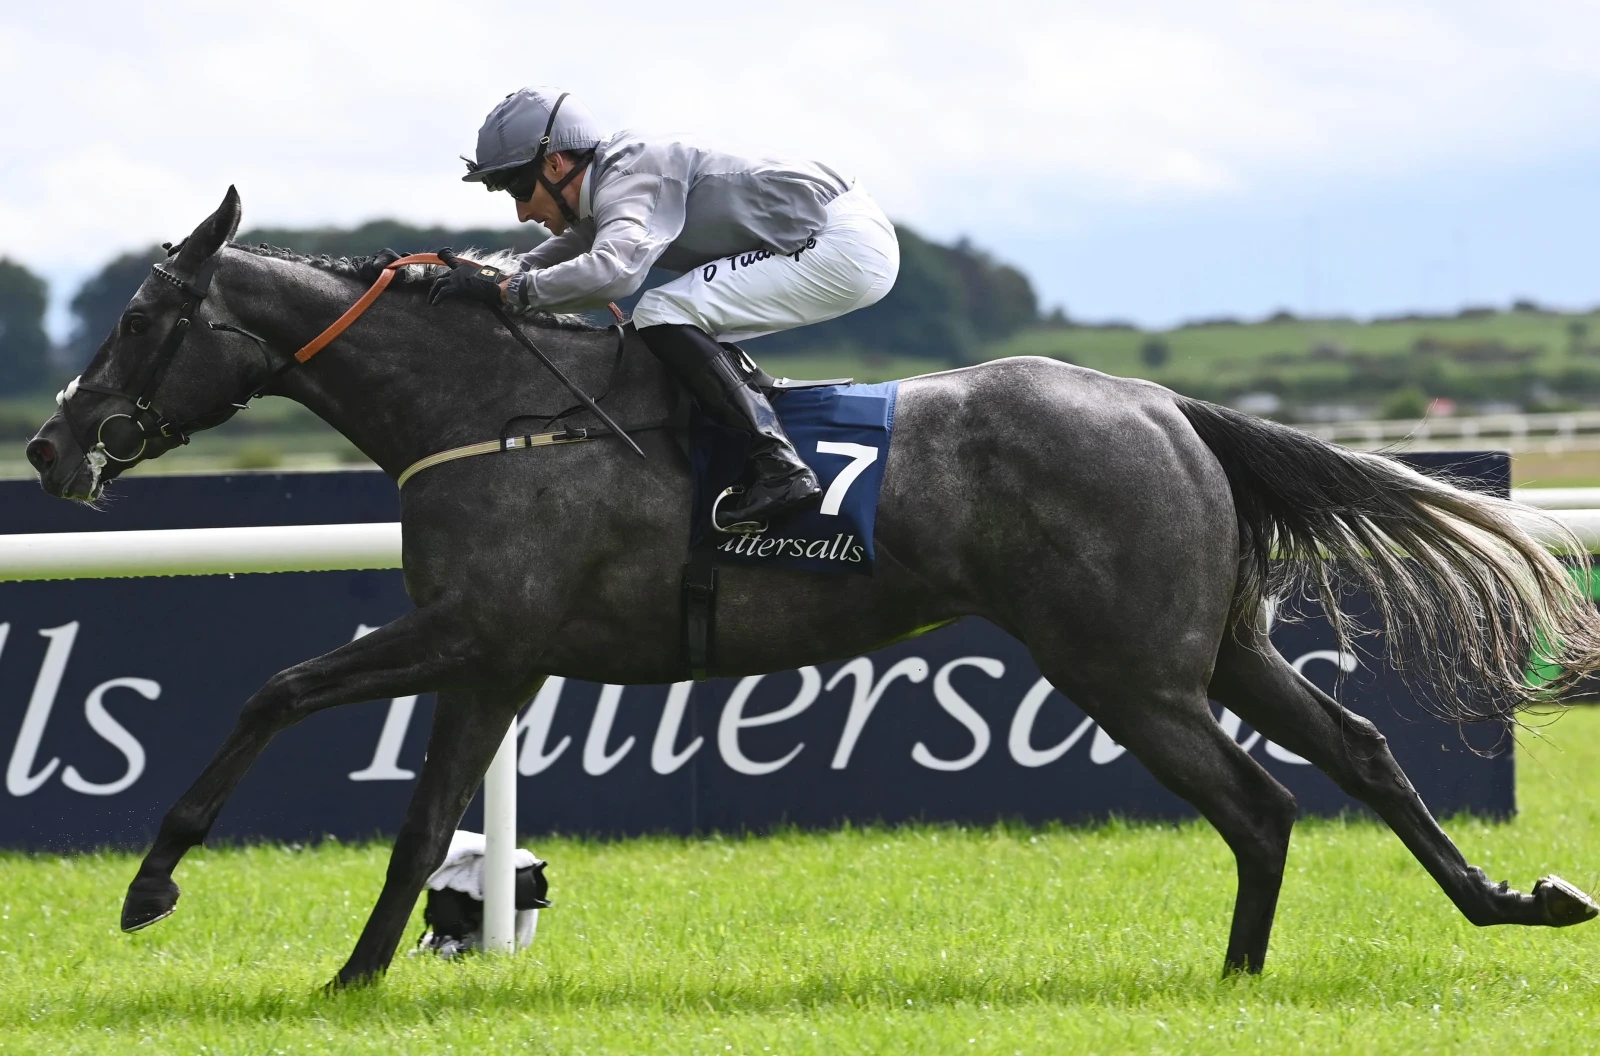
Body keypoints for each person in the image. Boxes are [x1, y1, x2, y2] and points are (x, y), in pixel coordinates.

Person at [427, 88, 900, 531]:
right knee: (669, 315)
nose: (521, 214)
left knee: (662, 311)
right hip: (834, 235)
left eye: (517, 189)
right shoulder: (612, 178)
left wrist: (508, 290)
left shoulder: (630, 176)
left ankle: (779, 467)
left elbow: (613, 274)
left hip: (839, 240)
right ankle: (752, 414)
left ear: (555, 164)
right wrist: (464, 278)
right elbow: (556, 255)